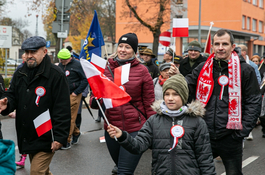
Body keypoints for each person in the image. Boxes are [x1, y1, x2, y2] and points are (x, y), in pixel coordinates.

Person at [169, 29, 262, 175]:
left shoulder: (246, 70)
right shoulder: (203, 68)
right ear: (212, 46)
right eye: (217, 44)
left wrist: (242, 132)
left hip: (231, 136)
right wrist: (177, 78)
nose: (220, 47)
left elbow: (254, 102)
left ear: (232, 46)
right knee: (196, 171)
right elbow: (187, 89)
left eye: (224, 44)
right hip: (204, 134)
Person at [107, 74, 216, 175]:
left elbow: (205, 157)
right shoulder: (154, 121)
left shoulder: (197, 122)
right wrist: (122, 135)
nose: (170, 98)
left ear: (184, 96)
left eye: (175, 94)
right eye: (167, 94)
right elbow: (138, 146)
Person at [0, 36, 71, 175]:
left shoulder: (56, 75)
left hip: (46, 134)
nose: (28, 56)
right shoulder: (20, 72)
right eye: (26, 52)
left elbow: (62, 108)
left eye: (33, 52)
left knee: (36, 171)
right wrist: (6, 104)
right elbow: (12, 95)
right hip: (27, 133)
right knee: (41, 171)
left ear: (44, 52)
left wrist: (60, 137)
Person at [90, 33, 155, 175]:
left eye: (128, 47)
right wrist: (96, 99)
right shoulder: (105, 70)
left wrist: (153, 130)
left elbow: (149, 103)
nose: (123, 50)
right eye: (120, 46)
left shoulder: (143, 71)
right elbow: (95, 103)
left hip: (135, 129)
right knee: (119, 167)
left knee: (124, 171)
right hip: (112, 128)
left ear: (135, 51)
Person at [58, 48, 88, 149]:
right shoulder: (61, 65)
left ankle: (67, 140)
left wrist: (77, 92)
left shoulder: (77, 65)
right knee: (64, 115)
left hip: (74, 94)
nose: (62, 62)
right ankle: (76, 132)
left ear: (70, 58)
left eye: (64, 60)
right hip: (63, 94)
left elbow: (85, 80)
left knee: (69, 117)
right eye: (60, 60)